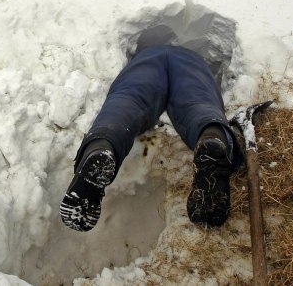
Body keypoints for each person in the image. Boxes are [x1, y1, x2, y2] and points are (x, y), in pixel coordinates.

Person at [60, 44, 243, 232]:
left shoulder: (142, 56)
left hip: (147, 61)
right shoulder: (198, 61)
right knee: (198, 104)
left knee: (128, 102)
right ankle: (212, 138)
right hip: (192, 63)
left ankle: (101, 146)